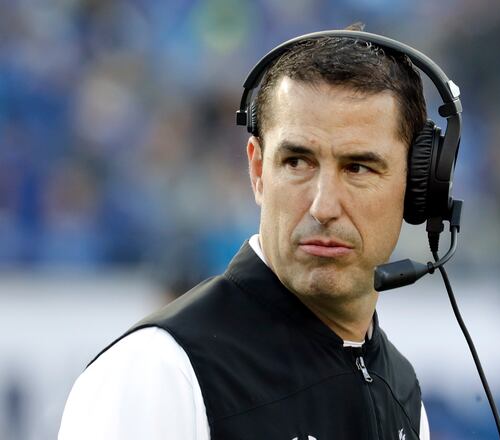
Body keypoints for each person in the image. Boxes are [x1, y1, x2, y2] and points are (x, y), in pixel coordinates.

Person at [59, 24, 437, 440]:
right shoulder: (160, 372)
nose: (323, 206)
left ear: (418, 187)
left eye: (358, 167)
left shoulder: (403, 393)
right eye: (297, 162)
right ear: (258, 171)